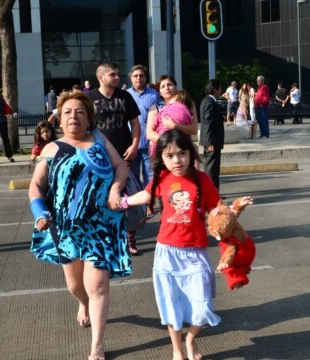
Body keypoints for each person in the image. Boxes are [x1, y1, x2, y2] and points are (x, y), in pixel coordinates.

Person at [29, 91, 131, 360]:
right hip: (65, 230)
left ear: (89, 119)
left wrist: (115, 190)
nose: (73, 116)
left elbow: (121, 166)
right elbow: (36, 187)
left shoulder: (99, 140)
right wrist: (40, 214)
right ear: (60, 121)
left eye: (80, 112)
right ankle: (82, 303)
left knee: (98, 286)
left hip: (98, 226)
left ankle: (97, 347)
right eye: (67, 113)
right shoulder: (52, 149)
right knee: (75, 286)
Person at [121, 129, 221, 360]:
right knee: (171, 303)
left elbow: (216, 209)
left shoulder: (202, 179)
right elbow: (145, 196)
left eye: (182, 153)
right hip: (167, 252)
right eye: (170, 155)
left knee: (203, 304)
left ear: (191, 153)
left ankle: (191, 338)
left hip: (196, 251)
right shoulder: (161, 178)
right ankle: (177, 350)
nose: (177, 160)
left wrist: (229, 217)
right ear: (162, 159)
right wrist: (123, 202)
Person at [87, 60, 141, 256]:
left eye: (118, 74)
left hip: (124, 155)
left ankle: (130, 238)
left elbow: (135, 124)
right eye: (113, 74)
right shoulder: (89, 98)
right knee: (101, 198)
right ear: (100, 77)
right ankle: (105, 237)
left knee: (129, 198)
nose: (117, 77)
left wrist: (134, 145)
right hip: (98, 158)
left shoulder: (125, 96)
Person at [127, 64, 160, 187]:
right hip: (132, 144)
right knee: (133, 176)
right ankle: (137, 204)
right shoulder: (126, 95)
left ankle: (148, 205)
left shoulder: (154, 94)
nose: (138, 78)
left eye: (141, 75)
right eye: (135, 76)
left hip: (149, 143)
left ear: (145, 77)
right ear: (131, 78)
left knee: (150, 176)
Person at [147, 89, 198, 158]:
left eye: (169, 84)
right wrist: (169, 141)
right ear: (160, 93)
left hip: (169, 145)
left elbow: (194, 129)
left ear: (175, 87)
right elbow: (149, 133)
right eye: (163, 86)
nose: (167, 88)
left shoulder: (165, 110)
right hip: (175, 143)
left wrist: (175, 126)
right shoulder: (156, 108)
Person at [199, 79, 224, 190]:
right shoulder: (210, 102)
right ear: (215, 90)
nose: (221, 91)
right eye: (220, 89)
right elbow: (208, 123)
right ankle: (211, 192)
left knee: (213, 167)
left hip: (213, 141)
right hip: (212, 141)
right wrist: (210, 142)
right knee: (211, 167)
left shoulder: (207, 101)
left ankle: (213, 191)